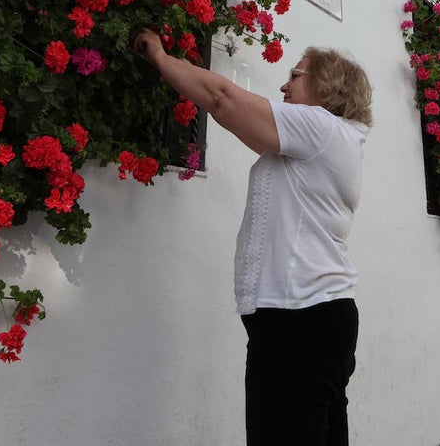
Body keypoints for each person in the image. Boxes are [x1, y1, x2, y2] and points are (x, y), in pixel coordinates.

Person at [133, 29, 373, 446]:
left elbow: (222, 99)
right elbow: (236, 119)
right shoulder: (321, 140)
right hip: (306, 319)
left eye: (295, 75)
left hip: (302, 321)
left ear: (327, 86)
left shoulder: (321, 129)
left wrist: (158, 56)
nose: (284, 84)